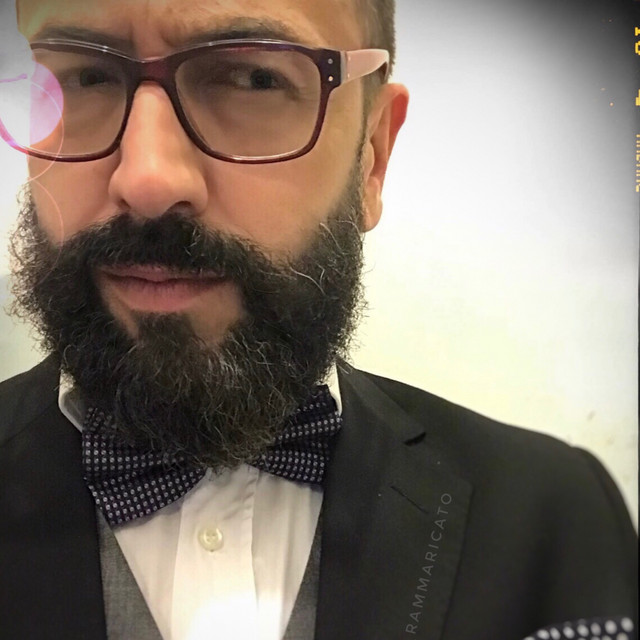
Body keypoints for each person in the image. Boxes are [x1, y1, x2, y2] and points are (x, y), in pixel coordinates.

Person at [0, 0, 636, 639]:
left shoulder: (556, 515)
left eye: (253, 79)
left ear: (372, 157)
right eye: (84, 76)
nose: (147, 180)